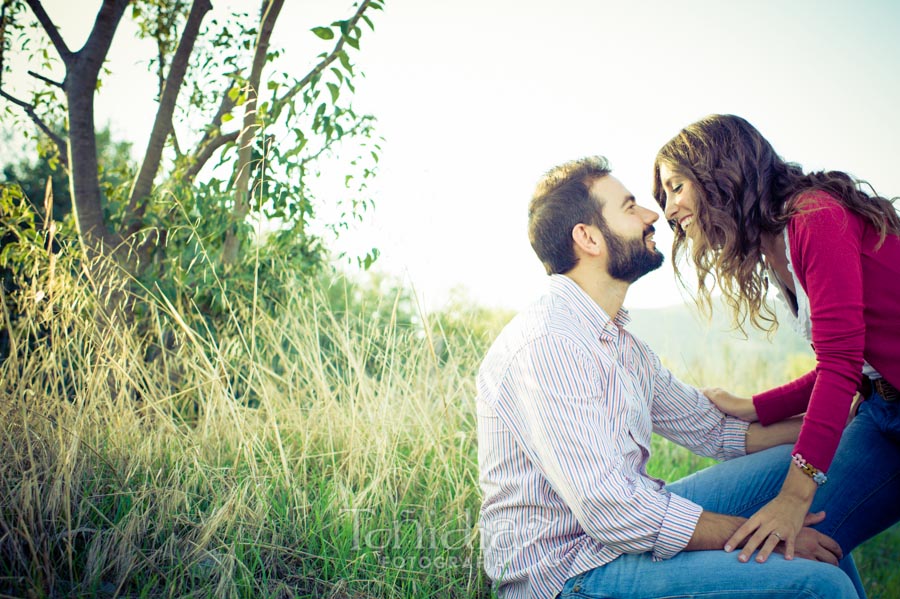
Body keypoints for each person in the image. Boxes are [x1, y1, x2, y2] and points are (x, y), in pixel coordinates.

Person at [477, 156, 861, 599]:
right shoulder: (549, 344)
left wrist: (828, 427)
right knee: (818, 584)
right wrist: (763, 533)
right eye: (629, 207)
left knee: (806, 479)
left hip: (613, 540)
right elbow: (615, 512)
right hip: (571, 572)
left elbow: (714, 429)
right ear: (587, 238)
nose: (652, 215)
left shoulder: (620, 345)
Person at [653, 113, 900, 566]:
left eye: (675, 187)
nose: (668, 210)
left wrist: (792, 497)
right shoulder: (777, 244)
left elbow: (841, 365)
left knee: (794, 528)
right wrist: (756, 407)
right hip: (883, 413)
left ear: (720, 171)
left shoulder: (815, 218)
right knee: (804, 548)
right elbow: (844, 360)